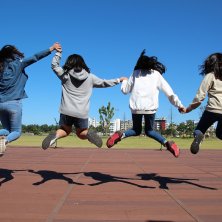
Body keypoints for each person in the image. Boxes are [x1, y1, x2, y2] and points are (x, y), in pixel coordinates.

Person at [42, 47, 127, 149]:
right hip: (81, 112)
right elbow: (105, 83)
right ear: (83, 64)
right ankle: (88, 134)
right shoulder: (90, 77)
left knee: (65, 130)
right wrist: (119, 80)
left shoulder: (65, 75)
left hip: (66, 110)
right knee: (81, 133)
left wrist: (58, 54)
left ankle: (55, 136)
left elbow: (54, 66)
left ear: (69, 63)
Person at [106, 50, 184, 158]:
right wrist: (179, 105)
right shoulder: (156, 75)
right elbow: (169, 93)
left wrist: (124, 80)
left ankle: (120, 135)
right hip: (150, 109)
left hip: (136, 108)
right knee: (150, 131)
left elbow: (124, 90)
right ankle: (167, 143)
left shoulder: (135, 73)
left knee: (135, 130)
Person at [0, 43, 61, 156]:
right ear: (14, 53)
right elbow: (35, 57)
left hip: (1, 104)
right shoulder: (18, 63)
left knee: (7, 130)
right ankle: (4, 141)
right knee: (16, 132)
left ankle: (3, 139)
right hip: (14, 103)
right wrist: (51, 49)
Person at [179, 53, 222, 154]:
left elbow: (200, 97)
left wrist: (188, 109)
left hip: (212, 110)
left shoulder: (210, 76)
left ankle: (199, 136)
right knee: (220, 134)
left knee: (199, 130)